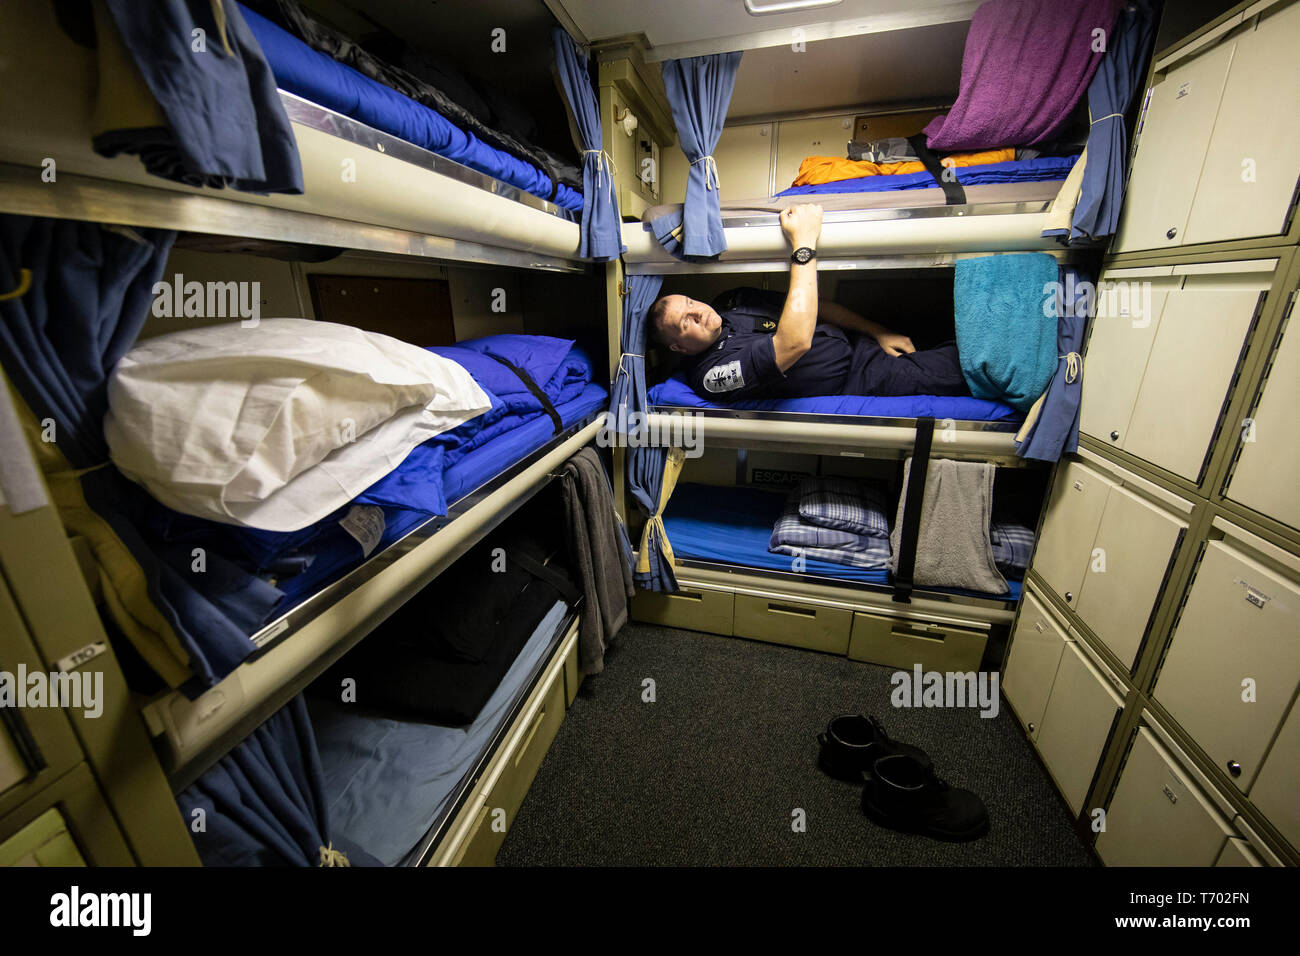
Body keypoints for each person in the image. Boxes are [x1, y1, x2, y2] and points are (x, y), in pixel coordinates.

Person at [647, 203, 968, 403]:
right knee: (963, 370)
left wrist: (879, 332)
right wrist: (804, 244)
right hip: (861, 379)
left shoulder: (733, 301)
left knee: (957, 335)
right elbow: (794, 342)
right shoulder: (710, 375)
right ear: (678, 347)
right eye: (685, 322)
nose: (696, 311)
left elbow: (817, 305)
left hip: (864, 343)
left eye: (689, 302)